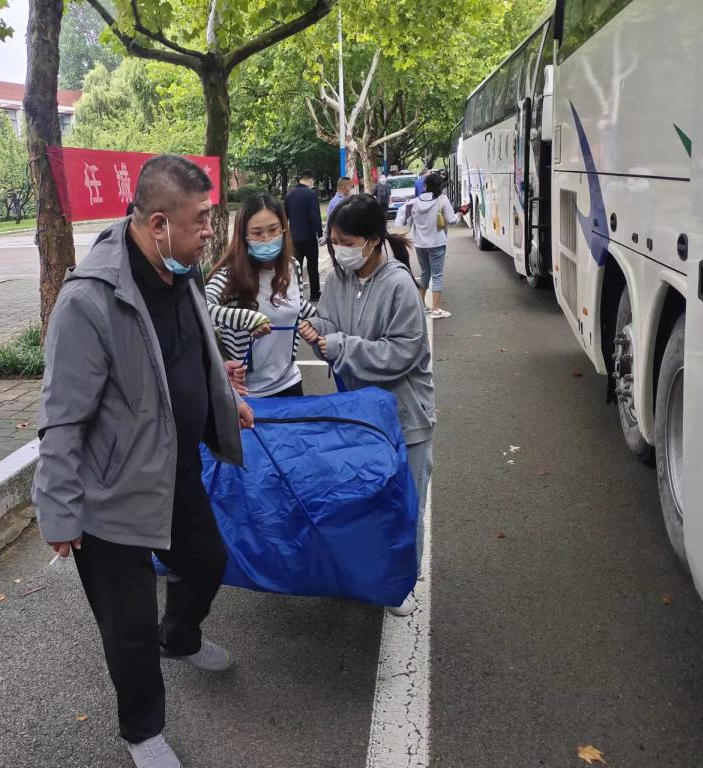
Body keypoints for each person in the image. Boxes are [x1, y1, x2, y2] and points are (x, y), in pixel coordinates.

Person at [32, 155, 255, 768]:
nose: (211, 230)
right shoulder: (90, 301)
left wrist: (225, 399)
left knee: (206, 561)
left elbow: (191, 355)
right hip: (108, 496)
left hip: (171, 469)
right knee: (127, 626)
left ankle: (178, 637)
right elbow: (61, 417)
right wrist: (58, 509)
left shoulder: (180, 271)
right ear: (158, 224)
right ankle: (143, 732)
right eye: (201, 219)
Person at [298, 193, 435, 617]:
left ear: (373, 241)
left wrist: (338, 344)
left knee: (404, 505)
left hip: (404, 416)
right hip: (360, 415)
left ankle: (403, 581)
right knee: (367, 499)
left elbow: (402, 353)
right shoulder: (338, 280)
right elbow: (330, 328)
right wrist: (317, 331)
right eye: (333, 241)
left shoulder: (399, 285)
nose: (338, 250)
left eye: (346, 242)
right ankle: (372, 572)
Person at [206, 195, 318, 398]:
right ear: (243, 236)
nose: (266, 239)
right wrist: (248, 318)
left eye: (273, 230)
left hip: (290, 382)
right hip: (248, 393)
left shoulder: (293, 267)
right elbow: (203, 307)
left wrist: (317, 321)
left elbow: (296, 304)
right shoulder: (230, 276)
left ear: (283, 228)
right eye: (257, 233)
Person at [395, 172, 463, 319]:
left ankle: (421, 306)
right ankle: (436, 310)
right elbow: (451, 220)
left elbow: (404, 218)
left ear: (425, 185)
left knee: (425, 273)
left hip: (420, 244)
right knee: (437, 276)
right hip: (437, 243)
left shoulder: (414, 202)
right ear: (440, 186)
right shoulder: (442, 199)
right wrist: (460, 214)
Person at [283, 169, 323, 301]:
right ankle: (314, 294)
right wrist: (320, 233)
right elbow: (315, 216)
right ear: (310, 179)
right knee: (312, 266)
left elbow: (284, 217)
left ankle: (296, 296)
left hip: (294, 237)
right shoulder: (311, 194)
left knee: (296, 268)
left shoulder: (289, 194)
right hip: (309, 237)